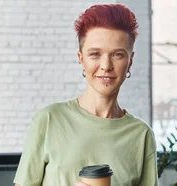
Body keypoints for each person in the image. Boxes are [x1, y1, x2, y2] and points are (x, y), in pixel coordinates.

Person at [13, 4, 158, 186]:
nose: (106, 65)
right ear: (81, 59)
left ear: (130, 61)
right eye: (95, 54)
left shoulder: (141, 135)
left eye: (118, 55)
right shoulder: (49, 120)